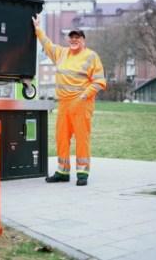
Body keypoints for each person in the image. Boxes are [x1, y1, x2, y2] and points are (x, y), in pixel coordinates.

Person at [32, 15, 106, 186]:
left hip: (81, 103)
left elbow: (100, 81)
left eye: (77, 38)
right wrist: (38, 29)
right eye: (71, 38)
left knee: (82, 138)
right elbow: (47, 44)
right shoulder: (61, 53)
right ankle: (62, 172)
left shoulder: (91, 56)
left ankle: (82, 173)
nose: (74, 40)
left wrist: (84, 95)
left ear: (83, 41)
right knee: (61, 137)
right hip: (64, 103)